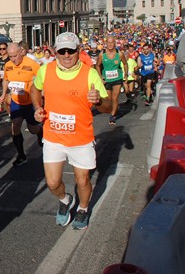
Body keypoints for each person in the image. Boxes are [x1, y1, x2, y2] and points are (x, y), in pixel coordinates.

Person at [31, 32, 112, 230]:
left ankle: (83, 208)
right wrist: (37, 108)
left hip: (80, 139)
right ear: (56, 52)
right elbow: (35, 89)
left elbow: (109, 107)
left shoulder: (90, 73)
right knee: (52, 182)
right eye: (62, 51)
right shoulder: (46, 70)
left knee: (82, 180)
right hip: (53, 136)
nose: (67, 55)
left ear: (78, 51)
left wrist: (99, 101)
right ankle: (65, 199)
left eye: (71, 51)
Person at [0, 42, 43, 166]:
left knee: (33, 129)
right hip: (16, 101)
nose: (13, 59)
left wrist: (41, 95)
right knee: (15, 126)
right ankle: (21, 155)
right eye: (10, 56)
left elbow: (42, 78)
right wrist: (3, 94)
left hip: (29, 102)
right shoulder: (8, 65)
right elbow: (6, 79)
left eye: (14, 56)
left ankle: (40, 132)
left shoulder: (31, 64)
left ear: (21, 52)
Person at [96, 35, 127, 125]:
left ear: (115, 43)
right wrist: (100, 77)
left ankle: (112, 116)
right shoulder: (102, 54)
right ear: (106, 44)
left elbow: (125, 64)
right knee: (109, 99)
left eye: (112, 43)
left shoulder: (119, 54)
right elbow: (97, 65)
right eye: (108, 43)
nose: (110, 45)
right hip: (107, 79)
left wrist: (125, 74)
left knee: (115, 97)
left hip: (117, 78)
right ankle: (114, 109)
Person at [136, 42, 159, 107]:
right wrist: (139, 65)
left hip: (151, 72)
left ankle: (147, 99)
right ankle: (150, 95)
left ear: (149, 49)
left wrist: (156, 65)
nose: (145, 50)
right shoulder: (140, 56)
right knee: (146, 86)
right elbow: (138, 65)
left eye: (146, 49)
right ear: (142, 50)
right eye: (144, 49)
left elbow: (158, 61)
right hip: (144, 73)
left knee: (148, 85)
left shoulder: (152, 55)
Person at [0, 43, 10, 114]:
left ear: (7, 49)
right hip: (1, 80)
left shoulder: (10, 59)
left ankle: (12, 114)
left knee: (8, 100)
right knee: (4, 100)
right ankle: (10, 114)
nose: (2, 50)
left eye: (4, 49)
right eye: (0, 49)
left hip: (9, 80)